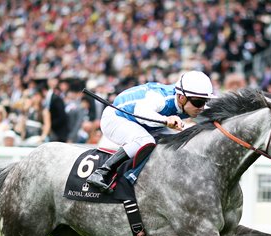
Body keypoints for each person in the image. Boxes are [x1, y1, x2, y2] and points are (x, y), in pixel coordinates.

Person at [87, 70, 216, 191]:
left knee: (177, 143)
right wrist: (166, 120)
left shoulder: (189, 100)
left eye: (206, 101)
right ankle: (102, 172)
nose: (202, 107)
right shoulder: (160, 98)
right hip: (116, 118)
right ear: (182, 97)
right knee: (145, 141)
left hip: (141, 123)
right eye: (199, 102)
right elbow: (141, 113)